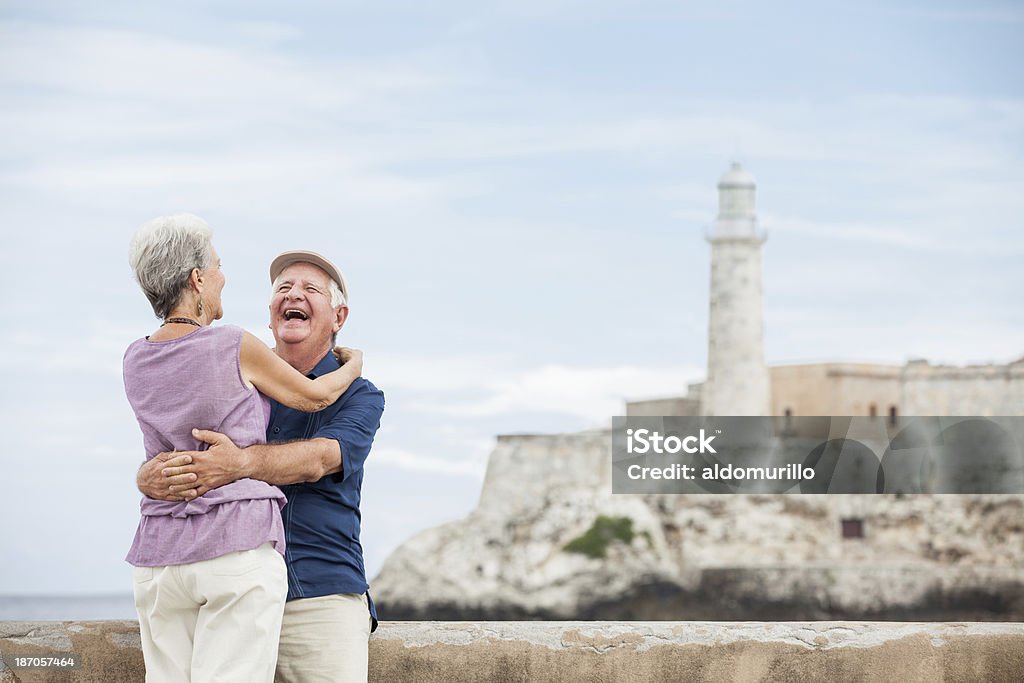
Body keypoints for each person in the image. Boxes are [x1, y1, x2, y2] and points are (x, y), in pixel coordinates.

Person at [124, 214, 364, 683]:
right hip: (233, 547)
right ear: (196, 279)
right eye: (216, 267)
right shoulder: (233, 345)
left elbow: (169, 441)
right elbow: (314, 396)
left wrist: (144, 476)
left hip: (158, 555)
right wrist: (354, 365)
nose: (222, 276)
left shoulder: (134, 355)